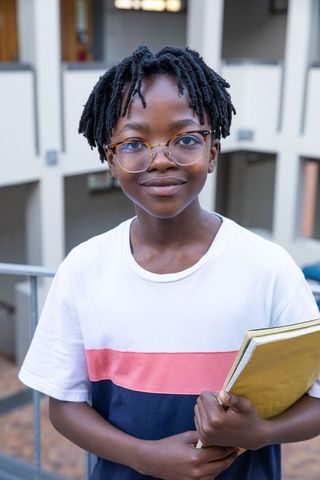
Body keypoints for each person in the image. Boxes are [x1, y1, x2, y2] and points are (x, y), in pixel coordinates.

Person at [19, 46, 320, 480]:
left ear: (213, 152)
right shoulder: (83, 269)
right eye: (134, 143)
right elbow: (64, 406)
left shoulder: (267, 267)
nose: (160, 159)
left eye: (186, 139)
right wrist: (142, 456)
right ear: (110, 160)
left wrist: (261, 431)